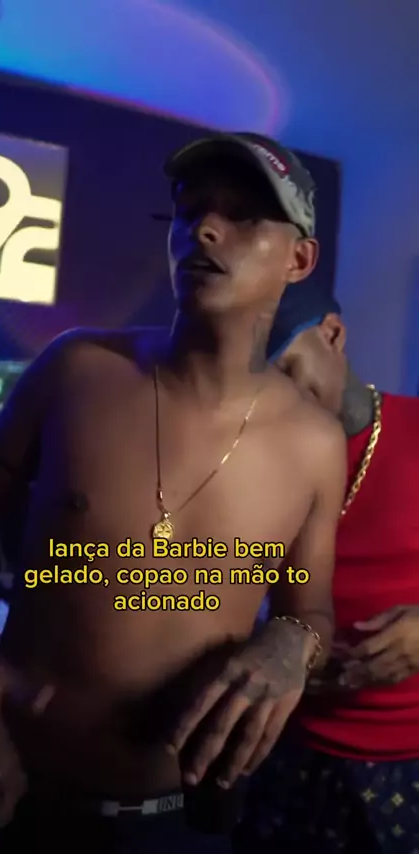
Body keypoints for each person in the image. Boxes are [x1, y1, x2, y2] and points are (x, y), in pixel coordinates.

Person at [0, 132, 346, 852]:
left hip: (175, 822)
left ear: (299, 259)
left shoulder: (315, 444)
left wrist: (291, 643)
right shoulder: (77, 370)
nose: (206, 228)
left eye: (242, 214)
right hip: (14, 794)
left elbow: (309, 609)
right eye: (192, 209)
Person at [237, 281, 419, 853]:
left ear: (333, 335)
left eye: (289, 370)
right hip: (286, 754)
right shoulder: (252, 460)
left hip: (410, 759)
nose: (282, 399)